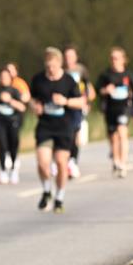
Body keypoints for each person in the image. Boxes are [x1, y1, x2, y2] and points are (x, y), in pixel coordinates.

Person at [30, 47, 85, 214]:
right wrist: (35, 107)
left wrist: (65, 101)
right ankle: (47, 190)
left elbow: (81, 102)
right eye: (48, 67)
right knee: (42, 162)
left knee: (61, 163)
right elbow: (31, 99)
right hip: (45, 125)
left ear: (60, 64)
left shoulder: (68, 81)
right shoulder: (38, 79)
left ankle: (59, 197)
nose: (50, 70)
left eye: (53, 67)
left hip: (64, 126)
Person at [97, 47, 133, 178]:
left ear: (123, 60)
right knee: (113, 137)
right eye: (112, 58)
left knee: (122, 132)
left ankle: (123, 163)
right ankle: (116, 160)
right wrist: (105, 90)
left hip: (124, 107)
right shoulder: (105, 75)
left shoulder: (128, 74)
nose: (114, 61)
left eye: (117, 58)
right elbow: (98, 91)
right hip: (110, 108)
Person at [63, 45, 95, 179]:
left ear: (76, 57)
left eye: (71, 56)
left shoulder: (81, 70)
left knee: (74, 134)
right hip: (64, 106)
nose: (68, 58)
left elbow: (88, 87)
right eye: (66, 56)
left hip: (77, 105)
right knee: (64, 134)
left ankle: (73, 161)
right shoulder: (61, 70)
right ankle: (63, 161)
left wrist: (87, 102)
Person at [0, 67, 26, 184]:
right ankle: (2, 171)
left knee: (13, 145)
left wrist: (10, 100)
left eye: (6, 77)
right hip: (0, 122)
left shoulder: (15, 91)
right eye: (1, 77)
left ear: (10, 78)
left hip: (13, 121)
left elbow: (22, 107)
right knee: (2, 145)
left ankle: (13, 170)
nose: (3, 79)